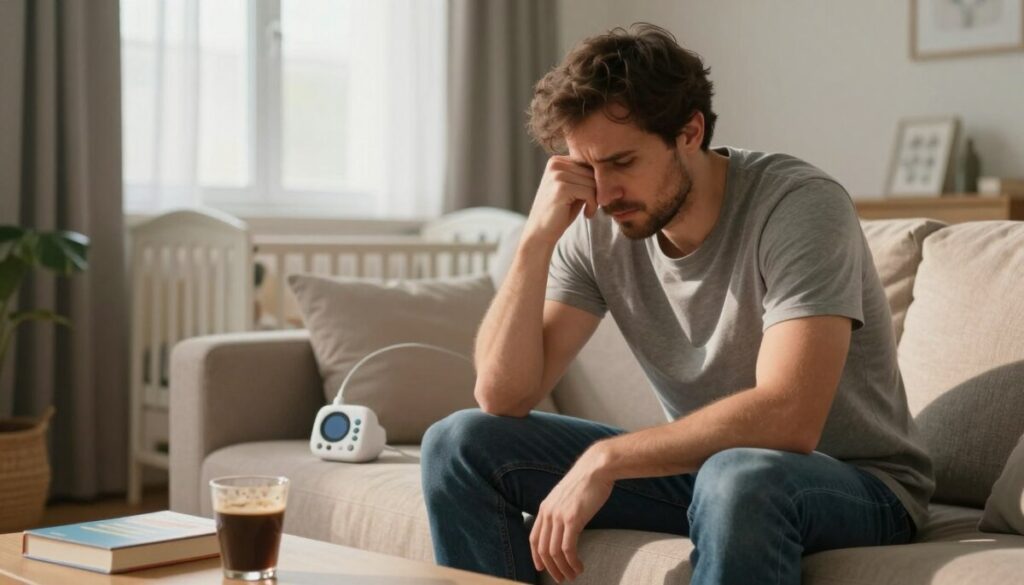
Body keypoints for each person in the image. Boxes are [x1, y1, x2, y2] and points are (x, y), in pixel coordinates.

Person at [420, 23, 934, 585]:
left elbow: (790, 417)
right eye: (587, 167)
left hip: (854, 484)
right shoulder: (597, 224)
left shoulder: (798, 206)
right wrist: (535, 241)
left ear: (689, 132)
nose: (604, 190)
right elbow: (503, 394)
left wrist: (607, 459)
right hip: (708, 473)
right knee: (459, 443)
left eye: (621, 162)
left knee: (739, 476)